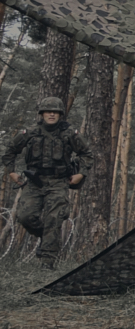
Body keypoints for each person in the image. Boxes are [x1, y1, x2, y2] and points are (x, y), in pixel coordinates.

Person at [4, 98, 91, 264]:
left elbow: (87, 154)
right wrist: (12, 172)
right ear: (42, 113)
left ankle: (47, 262)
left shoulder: (69, 133)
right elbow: (9, 152)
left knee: (54, 218)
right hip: (34, 181)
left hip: (59, 181)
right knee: (25, 216)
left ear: (60, 114)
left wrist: (81, 174)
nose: (52, 114)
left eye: (55, 111)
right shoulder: (30, 132)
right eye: (48, 111)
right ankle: (47, 238)